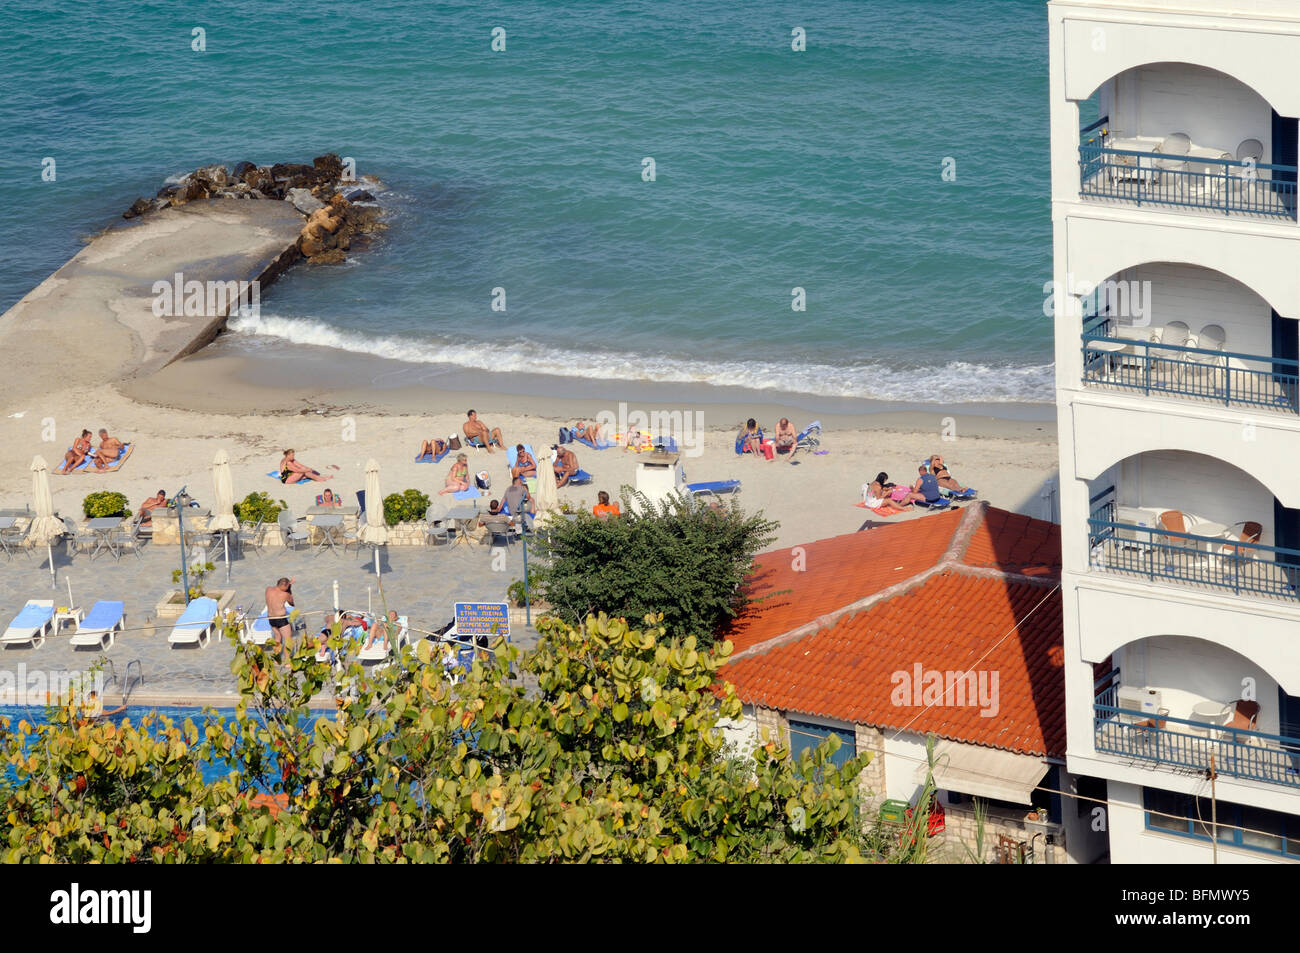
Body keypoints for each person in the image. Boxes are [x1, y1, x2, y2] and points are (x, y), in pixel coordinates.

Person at [264, 576, 296, 661]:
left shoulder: (268, 589)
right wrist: (289, 588)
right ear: (286, 587)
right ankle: (287, 661)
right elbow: (292, 603)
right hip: (281, 619)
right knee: (288, 640)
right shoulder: (285, 594)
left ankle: (276, 660)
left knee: (277, 638)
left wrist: (288, 584)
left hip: (271, 618)